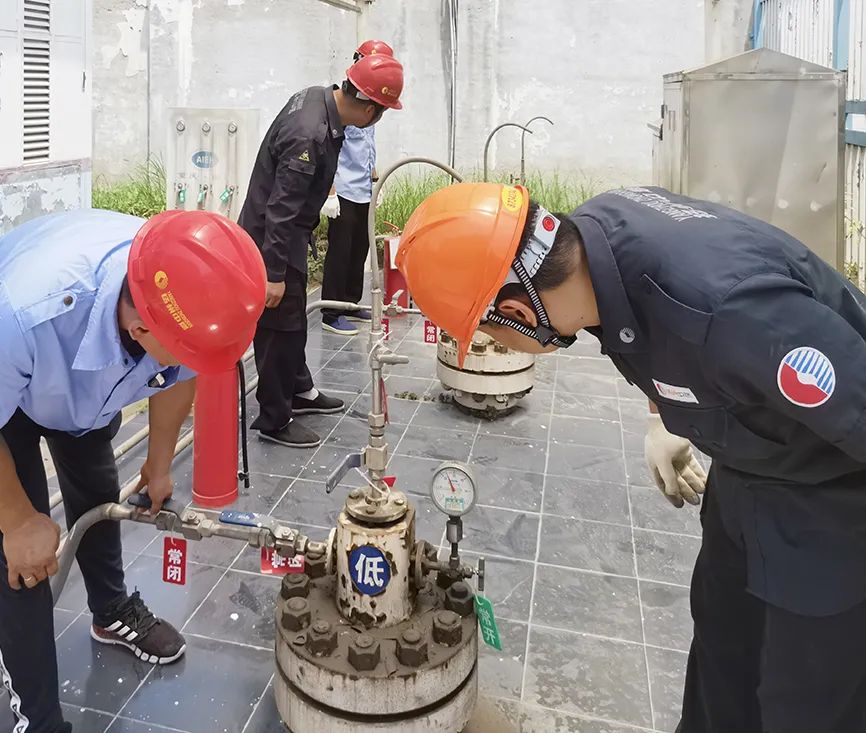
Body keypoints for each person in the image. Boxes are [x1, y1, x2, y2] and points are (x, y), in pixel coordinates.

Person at [396, 183, 866, 733]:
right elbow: (647, 325)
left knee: (804, 699)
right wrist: (662, 413)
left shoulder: (729, 311)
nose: (499, 347)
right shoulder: (593, 244)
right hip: (746, 473)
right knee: (722, 665)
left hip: (829, 504)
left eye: (490, 334)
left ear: (517, 311)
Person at [0, 209, 267, 733]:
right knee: (20, 558)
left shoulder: (181, 291)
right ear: (140, 328)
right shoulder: (20, 317)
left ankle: (110, 611)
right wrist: (18, 522)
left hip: (81, 368)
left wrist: (159, 464)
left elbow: (181, 372)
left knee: (95, 485)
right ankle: (39, 723)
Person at [239, 52, 404, 448]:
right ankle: (275, 418)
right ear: (370, 109)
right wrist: (273, 274)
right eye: (381, 113)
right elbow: (280, 209)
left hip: (287, 234)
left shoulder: (318, 98)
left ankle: (300, 390)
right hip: (273, 240)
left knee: (294, 322)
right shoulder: (308, 135)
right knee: (280, 329)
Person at [319, 39, 395, 336]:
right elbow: (331, 147)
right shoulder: (346, 101)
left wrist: (375, 179)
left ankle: (350, 303)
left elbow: (366, 146)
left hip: (362, 187)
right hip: (342, 189)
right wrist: (329, 192)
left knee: (360, 247)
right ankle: (331, 311)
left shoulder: (372, 100)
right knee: (340, 250)